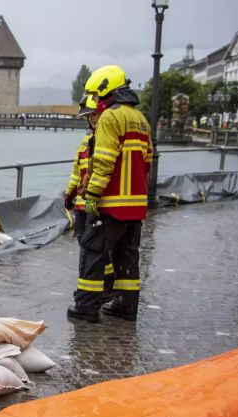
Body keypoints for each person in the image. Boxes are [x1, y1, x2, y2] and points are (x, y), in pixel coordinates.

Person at [68, 65, 152, 323]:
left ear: (105, 90)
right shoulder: (140, 118)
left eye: (95, 94)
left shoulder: (109, 117)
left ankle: (86, 307)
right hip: (135, 205)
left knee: (93, 252)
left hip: (111, 203)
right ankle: (126, 306)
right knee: (127, 256)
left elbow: (103, 162)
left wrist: (91, 195)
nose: (94, 101)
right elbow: (147, 160)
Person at [64, 96, 115, 297]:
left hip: (96, 202)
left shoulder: (106, 137)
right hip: (82, 203)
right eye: (88, 116)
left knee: (95, 249)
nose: (92, 119)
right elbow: (78, 171)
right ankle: (97, 285)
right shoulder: (86, 140)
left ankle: (104, 287)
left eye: (94, 114)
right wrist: (69, 194)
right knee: (86, 246)